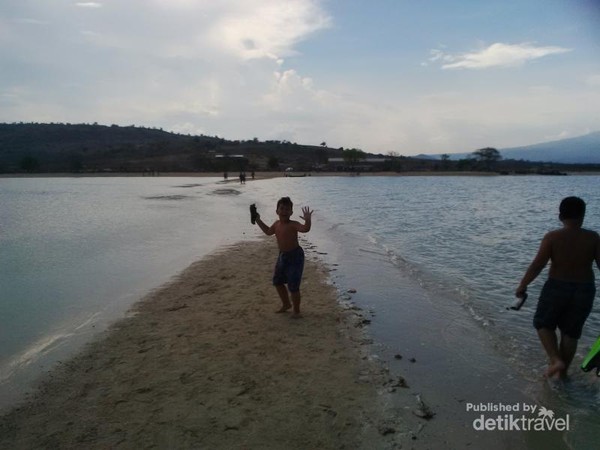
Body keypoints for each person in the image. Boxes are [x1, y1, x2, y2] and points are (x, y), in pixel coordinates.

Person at [516, 196, 600, 379]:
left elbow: (538, 264)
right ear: (583, 216)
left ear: (560, 216)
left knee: (543, 323)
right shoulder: (593, 238)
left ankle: (555, 359)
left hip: (557, 287)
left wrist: (523, 284)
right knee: (571, 332)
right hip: (585, 289)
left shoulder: (553, 237)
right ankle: (563, 374)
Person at [252, 197, 313, 317]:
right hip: (283, 256)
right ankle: (286, 304)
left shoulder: (293, 224)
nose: (284, 211)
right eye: (282, 208)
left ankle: (296, 311)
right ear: (277, 211)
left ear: (291, 212)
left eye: (287, 209)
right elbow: (268, 232)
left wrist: (308, 220)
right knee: (277, 282)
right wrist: (258, 219)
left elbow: (305, 229)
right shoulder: (276, 224)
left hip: (295, 257)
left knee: (293, 286)